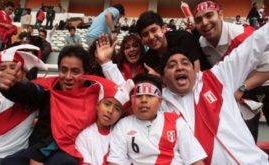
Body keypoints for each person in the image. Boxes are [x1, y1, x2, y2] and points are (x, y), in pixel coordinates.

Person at [96, 22, 269, 165]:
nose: (179, 67)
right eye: (171, 65)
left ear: (194, 69)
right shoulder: (159, 102)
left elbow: (255, 43)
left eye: (185, 63)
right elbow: (125, 91)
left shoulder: (219, 77)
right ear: (163, 77)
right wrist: (106, 63)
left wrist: (242, 87)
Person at [0, 46, 99, 165]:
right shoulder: (48, 88)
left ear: (86, 73)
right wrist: (9, 86)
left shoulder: (97, 95)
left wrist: (106, 62)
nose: (67, 77)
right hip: (38, 148)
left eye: (75, 71)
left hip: (70, 153)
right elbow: (27, 92)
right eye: (63, 70)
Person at [192, 0, 269, 142]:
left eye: (209, 15)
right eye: (198, 19)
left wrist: (242, 87)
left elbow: (267, 69)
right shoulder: (201, 43)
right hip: (234, 94)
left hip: (261, 85)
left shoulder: (244, 36)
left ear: (220, 14)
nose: (204, 22)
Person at [0, 45, 47, 165]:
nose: (8, 72)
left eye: (13, 67)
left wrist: (14, 88)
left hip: (6, 159)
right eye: (2, 68)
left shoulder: (34, 95)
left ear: (24, 73)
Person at [108, 73, 206, 165]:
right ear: (132, 100)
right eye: (138, 96)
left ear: (160, 101)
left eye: (150, 96)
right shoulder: (123, 125)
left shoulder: (176, 121)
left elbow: (195, 159)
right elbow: (116, 162)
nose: (144, 100)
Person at [75, 75, 134, 165]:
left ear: (120, 115)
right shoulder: (84, 137)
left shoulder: (123, 134)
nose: (110, 111)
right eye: (107, 104)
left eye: (117, 109)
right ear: (98, 105)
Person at [135, 11, 203, 75]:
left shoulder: (184, 38)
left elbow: (197, 76)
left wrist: (160, 79)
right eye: (145, 34)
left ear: (164, 29)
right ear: (142, 40)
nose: (151, 37)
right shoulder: (148, 60)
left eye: (154, 30)